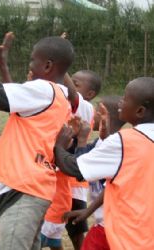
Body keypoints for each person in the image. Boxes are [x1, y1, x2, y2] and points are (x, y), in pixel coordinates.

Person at [0, 16, 74, 250]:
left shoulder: (43, 90)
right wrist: (3, 65)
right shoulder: (59, 97)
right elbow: (17, 100)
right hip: (29, 189)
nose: (30, 66)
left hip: (23, 189)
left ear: (47, 66)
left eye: (32, 61)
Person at [54, 77, 154, 250]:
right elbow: (118, 185)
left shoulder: (124, 141)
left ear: (140, 111)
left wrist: (58, 146)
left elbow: (75, 168)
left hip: (118, 232)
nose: (121, 101)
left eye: (126, 97)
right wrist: (89, 210)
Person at [63, 95, 125, 250]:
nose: (92, 115)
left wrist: (80, 139)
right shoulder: (101, 143)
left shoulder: (111, 148)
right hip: (106, 223)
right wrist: (75, 139)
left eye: (96, 111)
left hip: (111, 226)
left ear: (106, 116)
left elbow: (77, 170)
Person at [64, 69, 102, 250]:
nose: (69, 86)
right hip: (60, 176)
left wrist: (60, 64)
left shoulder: (84, 108)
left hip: (74, 183)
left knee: (75, 227)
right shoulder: (65, 104)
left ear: (90, 94)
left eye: (75, 84)